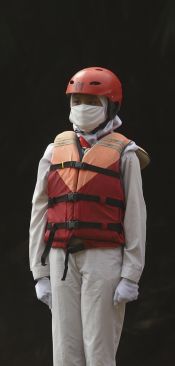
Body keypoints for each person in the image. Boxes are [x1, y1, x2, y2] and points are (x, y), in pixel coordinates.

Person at [29, 66, 149, 366]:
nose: (83, 107)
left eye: (93, 101)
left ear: (110, 106)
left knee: (99, 349)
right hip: (60, 259)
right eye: (77, 100)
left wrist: (131, 274)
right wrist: (39, 272)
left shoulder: (126, 154)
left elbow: (135, 216)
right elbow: (39, 211)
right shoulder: (54, 151)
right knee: (65, 350)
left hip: (104, 258)